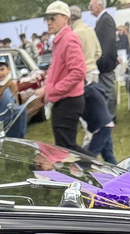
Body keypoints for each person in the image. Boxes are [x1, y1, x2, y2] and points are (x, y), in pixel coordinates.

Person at [40, 1, 86, 152]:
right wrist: (48, 88)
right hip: (64, 99)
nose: (49, 22)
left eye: (53, 18)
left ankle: (96, 166)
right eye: (47, 19)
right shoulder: (60, 40)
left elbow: (78, 72)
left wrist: (53, 89)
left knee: (67, 148)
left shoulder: (68, 39)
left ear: (66, 18)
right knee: (65, 147)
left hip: (69, 100)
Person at [91, 0, 119, 117]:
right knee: (105, 90)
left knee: (108, 90)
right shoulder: (103, 20)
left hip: (105, 63)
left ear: (100, 5)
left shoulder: (105, 20)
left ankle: (110, 116)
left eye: (92, 6)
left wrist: (101, 60)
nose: (90, 8)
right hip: (104, 62)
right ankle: (108, 116)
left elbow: (107, 43)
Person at [0, 61, 27, 139]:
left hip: (7, 115)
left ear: (8, 70)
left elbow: (15, 100)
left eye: (2, 69)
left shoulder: (11, 84)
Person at [81, 81, 116, 163]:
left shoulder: (87, 92)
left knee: (90, 154)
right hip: (107, 124)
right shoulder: (94, 88)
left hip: (101, 126)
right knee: (107, 153)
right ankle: (115, 169)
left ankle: (81, 167)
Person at [70, 5, 101, 82]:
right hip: (94, 70)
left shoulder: (74, 33)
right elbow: (98, 52)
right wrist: (91, 61)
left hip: (83, 73)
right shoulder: (90, 29)